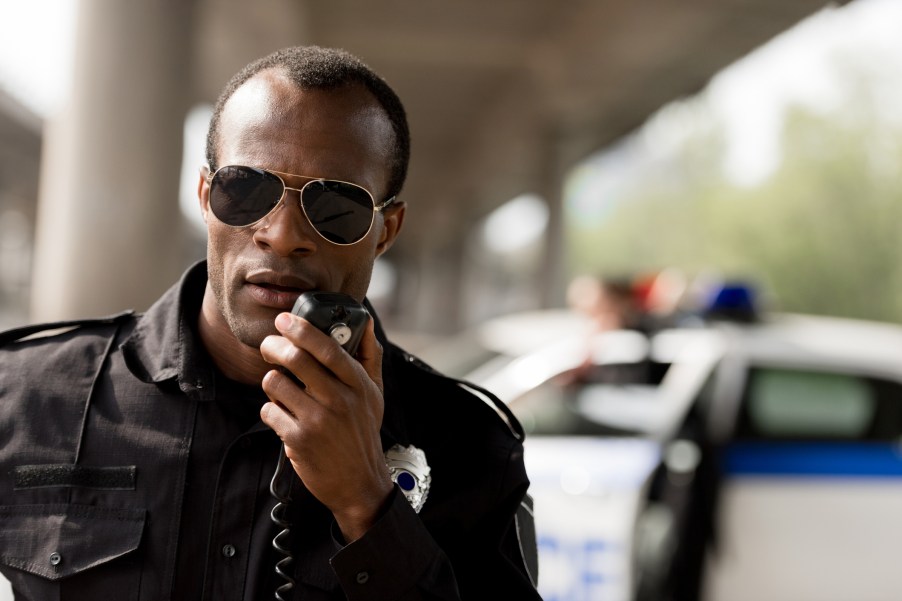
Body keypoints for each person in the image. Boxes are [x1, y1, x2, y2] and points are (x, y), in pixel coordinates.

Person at [0, 46, 540, 600]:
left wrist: (367, 504)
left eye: (335, 207)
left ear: (386, 230)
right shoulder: (28, 395)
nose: (282, 235)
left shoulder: (470, 444)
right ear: (207, 196)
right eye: (246, 190)